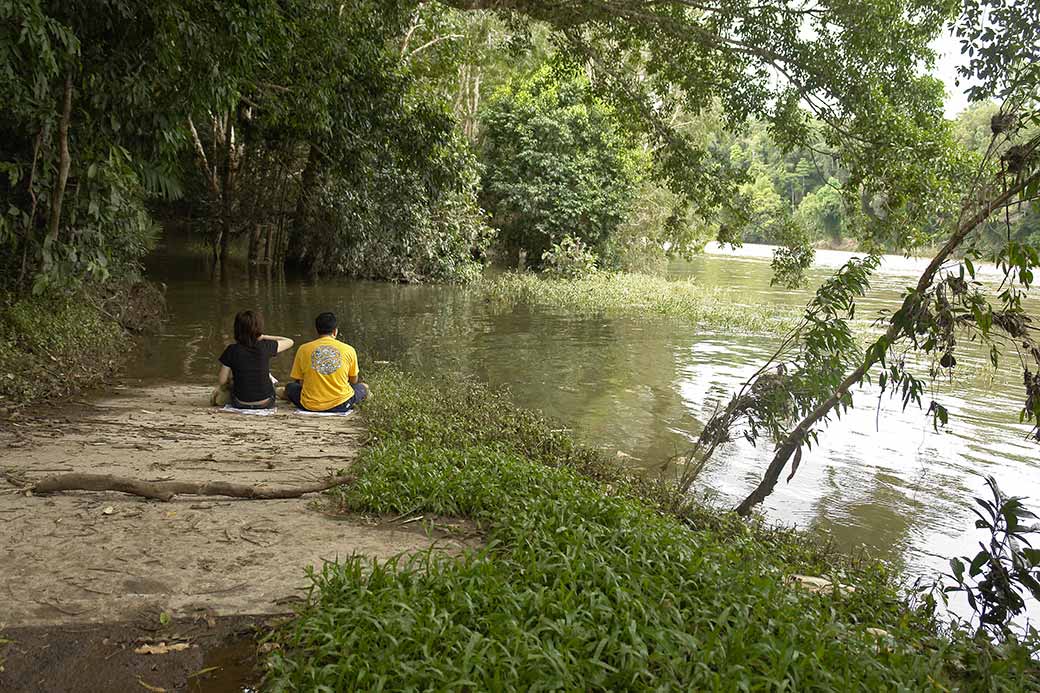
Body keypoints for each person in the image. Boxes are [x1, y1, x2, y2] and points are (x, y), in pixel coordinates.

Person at [285, 311, 368, 412]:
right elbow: (353, 381)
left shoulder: (303, 349)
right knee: (363, 387)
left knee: (291, 387)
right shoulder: (349, 349)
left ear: (317, 330)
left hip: (309, 405)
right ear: (335, 331)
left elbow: (301, 382)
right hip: (342, 404)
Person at [212, 310, 293, 409]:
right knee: (269, 380)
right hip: (266, 402)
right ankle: (279, 391)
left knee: (227, 389)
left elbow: (222, 380)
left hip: (240, 403)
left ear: (237, 329)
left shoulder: (232, 350)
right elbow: (289, 341)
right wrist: (264, 336)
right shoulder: (266, 346)